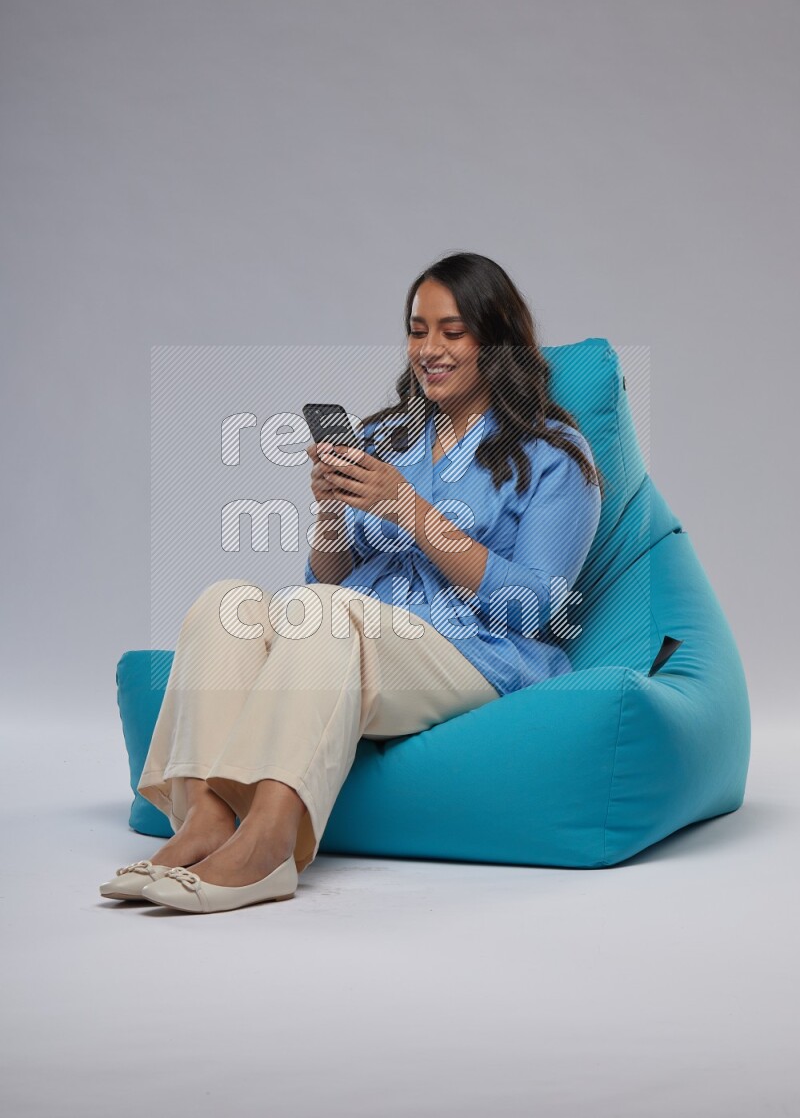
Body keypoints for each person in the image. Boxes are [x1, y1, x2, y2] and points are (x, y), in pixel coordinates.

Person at [99, 251, 604, 914]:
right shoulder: (390, 437)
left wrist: (410, 509)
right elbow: (326, 575)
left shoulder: (553, 456)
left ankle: (268, 848)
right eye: (417, 329)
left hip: (474, 651)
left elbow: (535, 604)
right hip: (356, 637)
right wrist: (332, 509)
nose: (430, 349)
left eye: (452, 331)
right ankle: (204, 821)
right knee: (226, 602)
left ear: (496, 338)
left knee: (325, 615)